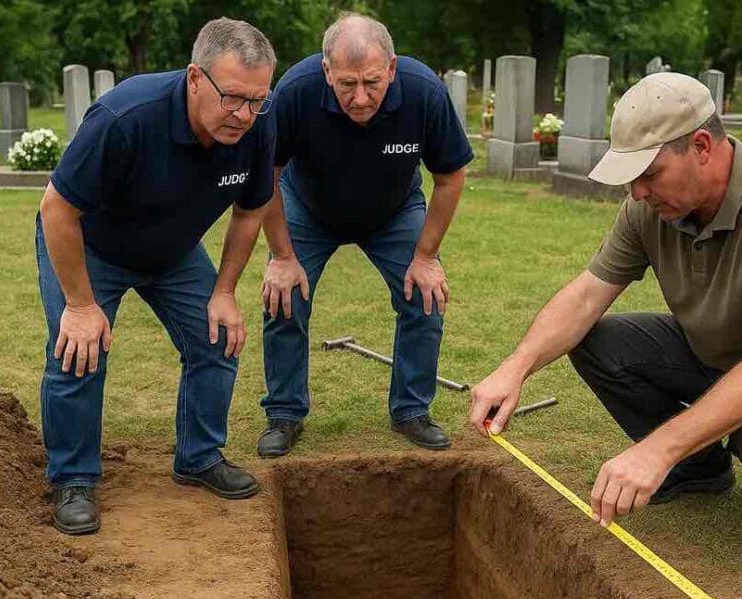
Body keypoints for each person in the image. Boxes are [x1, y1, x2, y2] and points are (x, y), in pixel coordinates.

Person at [470, 73, 742, 558]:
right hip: (722, 349)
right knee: (595, 341)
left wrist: (657, 448)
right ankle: (700, 471)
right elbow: (587, 296)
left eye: (649, 175)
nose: (637, 194)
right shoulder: (650, 208)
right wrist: (515, 367)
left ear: (701, 147)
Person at [36, 18, 277, 535]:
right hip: (92, 245)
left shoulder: (256, 123)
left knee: (218, 336)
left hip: (172, 250)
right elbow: (57, 209)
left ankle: (199, 457)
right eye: (233, 97)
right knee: (79, 350)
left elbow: (251, 210)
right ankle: (73, 478)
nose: (244, 114)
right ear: (195, 78)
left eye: (257, 101)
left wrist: (225, 291)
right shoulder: (127, 117)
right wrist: (80, 306)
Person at [257, 13, 473, 456]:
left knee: (425, 296)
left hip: (393, 211)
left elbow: (450, 177)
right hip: (308, 207)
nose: (360, 98)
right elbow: (266, 176)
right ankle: (284, 413)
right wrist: (281, 257)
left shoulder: (423, 93)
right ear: (326, 71)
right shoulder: (295, 93)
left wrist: (427, 257)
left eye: (372, 83)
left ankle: (411, 410)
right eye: (347, 84)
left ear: (392, 69)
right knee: (285, 298)